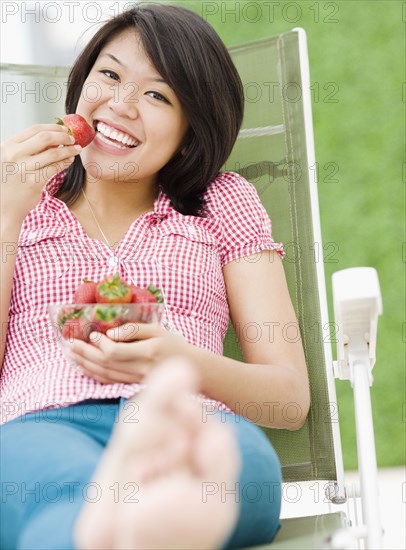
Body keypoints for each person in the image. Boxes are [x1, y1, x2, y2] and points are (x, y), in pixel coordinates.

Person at [0, 4, 310, 549]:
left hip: (185, 419)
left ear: (192, 131)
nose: (120, 106)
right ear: (82, 82)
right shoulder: (16, 201)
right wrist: (4, 214)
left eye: (157, 95)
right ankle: (123, 525)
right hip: (44, 422)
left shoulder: (223, 203)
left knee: (243, 469)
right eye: (111, 75)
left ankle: (128, 525)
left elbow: (287, 399)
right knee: (57, 486)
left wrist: (178, 362)